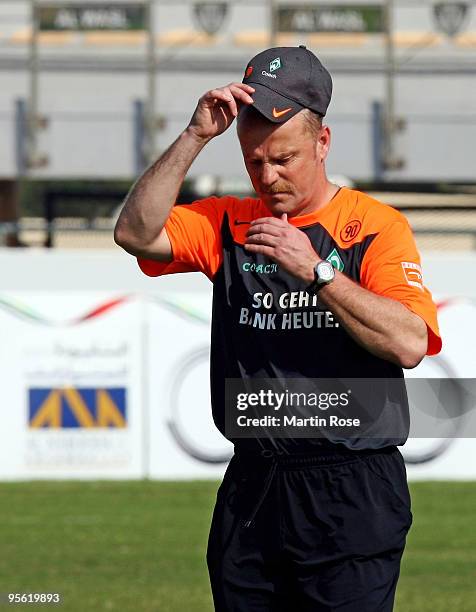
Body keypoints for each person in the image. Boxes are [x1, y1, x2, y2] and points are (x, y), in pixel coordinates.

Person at [115, 46, 441, 611]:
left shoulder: (375, 228)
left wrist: (316, 272)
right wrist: (193, 137)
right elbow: (136, 234)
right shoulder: (229, 222)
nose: (268, 177)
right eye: (254, 162)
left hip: (352, 484)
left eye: (284, 159)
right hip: (255, 483)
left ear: (322, 143)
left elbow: (410, 343)